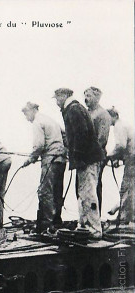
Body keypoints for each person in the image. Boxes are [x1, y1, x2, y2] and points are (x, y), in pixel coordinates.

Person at [53, 88, 105, 239]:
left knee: (88, 194)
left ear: (64, 96)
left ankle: (94, 229)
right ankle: (84, 225)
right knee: (83, 193)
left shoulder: (73, 109)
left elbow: (81, 133)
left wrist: (78, 156)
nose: (56, 102)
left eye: (57, 98)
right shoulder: (74, 108)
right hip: (86, 159)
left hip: (87, 159)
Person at [21, 102, 67, 233]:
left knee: (45, 192)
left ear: (33, 110)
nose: (26, 117)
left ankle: (46, 225)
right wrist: (64, 150)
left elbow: (39, 145)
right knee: (57, 191)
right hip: (61, 160)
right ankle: (57, 221)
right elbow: (65, 135)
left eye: (26, 113)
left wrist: (31, 158)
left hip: (50, 160)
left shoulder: (37, 122)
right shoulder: (49, 119)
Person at [84, 87, 111, 215]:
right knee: (82, 189)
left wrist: (91, 155)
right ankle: (85, 217)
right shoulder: (86, 113)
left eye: (89, 96)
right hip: (84, 157)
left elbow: (102, 139)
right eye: (85, 95)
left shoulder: (102, 114)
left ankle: (95, 218)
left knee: (94, 188)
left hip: (95, 157)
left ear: (97, 98)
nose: (86, 99)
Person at [106, 107, 134, 225]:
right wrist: (118, 158)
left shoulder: (118, 126)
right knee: (130, 188)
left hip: (132, 159)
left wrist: (109, 157)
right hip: (131, 158)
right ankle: (125, 215)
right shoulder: (124, 124)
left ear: (113, 116)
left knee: (126, 188)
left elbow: (121, 145)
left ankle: (124, 218)